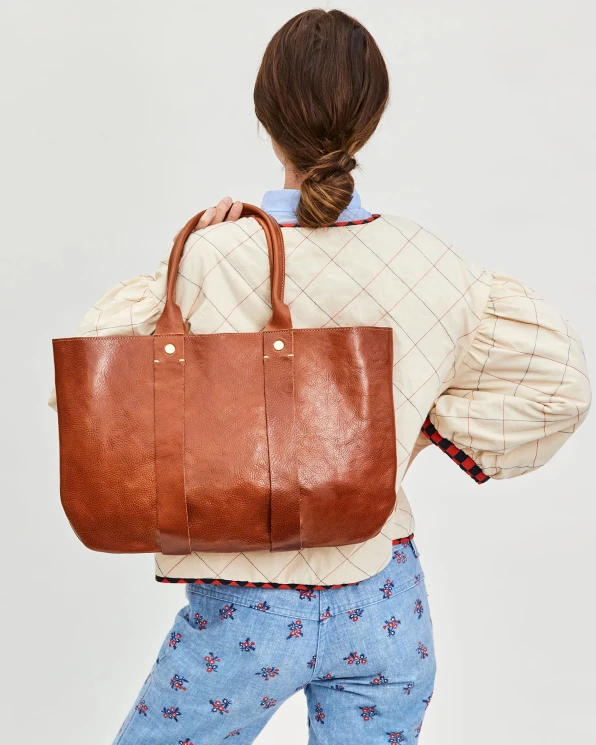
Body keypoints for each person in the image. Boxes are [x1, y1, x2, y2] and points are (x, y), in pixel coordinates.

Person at [48, 9, 591, 744]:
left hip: (247, 610)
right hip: (386, 599)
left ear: (265, 116)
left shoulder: (215, 256)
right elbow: (561, 385)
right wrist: (413, 431)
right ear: (371, 119)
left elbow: (89, 394)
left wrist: (188, 264)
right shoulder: (432, 262)